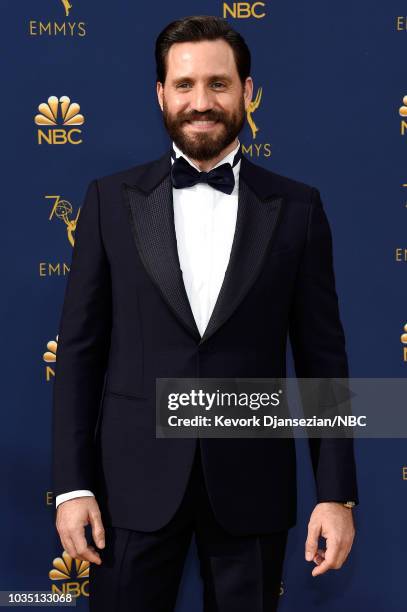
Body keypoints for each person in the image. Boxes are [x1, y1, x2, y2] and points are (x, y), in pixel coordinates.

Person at [52, 15, 358, 612]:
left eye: (218, 84)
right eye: (185, 85)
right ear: (160, 94)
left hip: (252, 485)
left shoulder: (297, 208)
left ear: (248, 92)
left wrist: (337, 494)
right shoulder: (108, 201)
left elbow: (324, 362)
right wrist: (72, 485)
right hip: (127, 491)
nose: (201, 102)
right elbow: (79, 355)